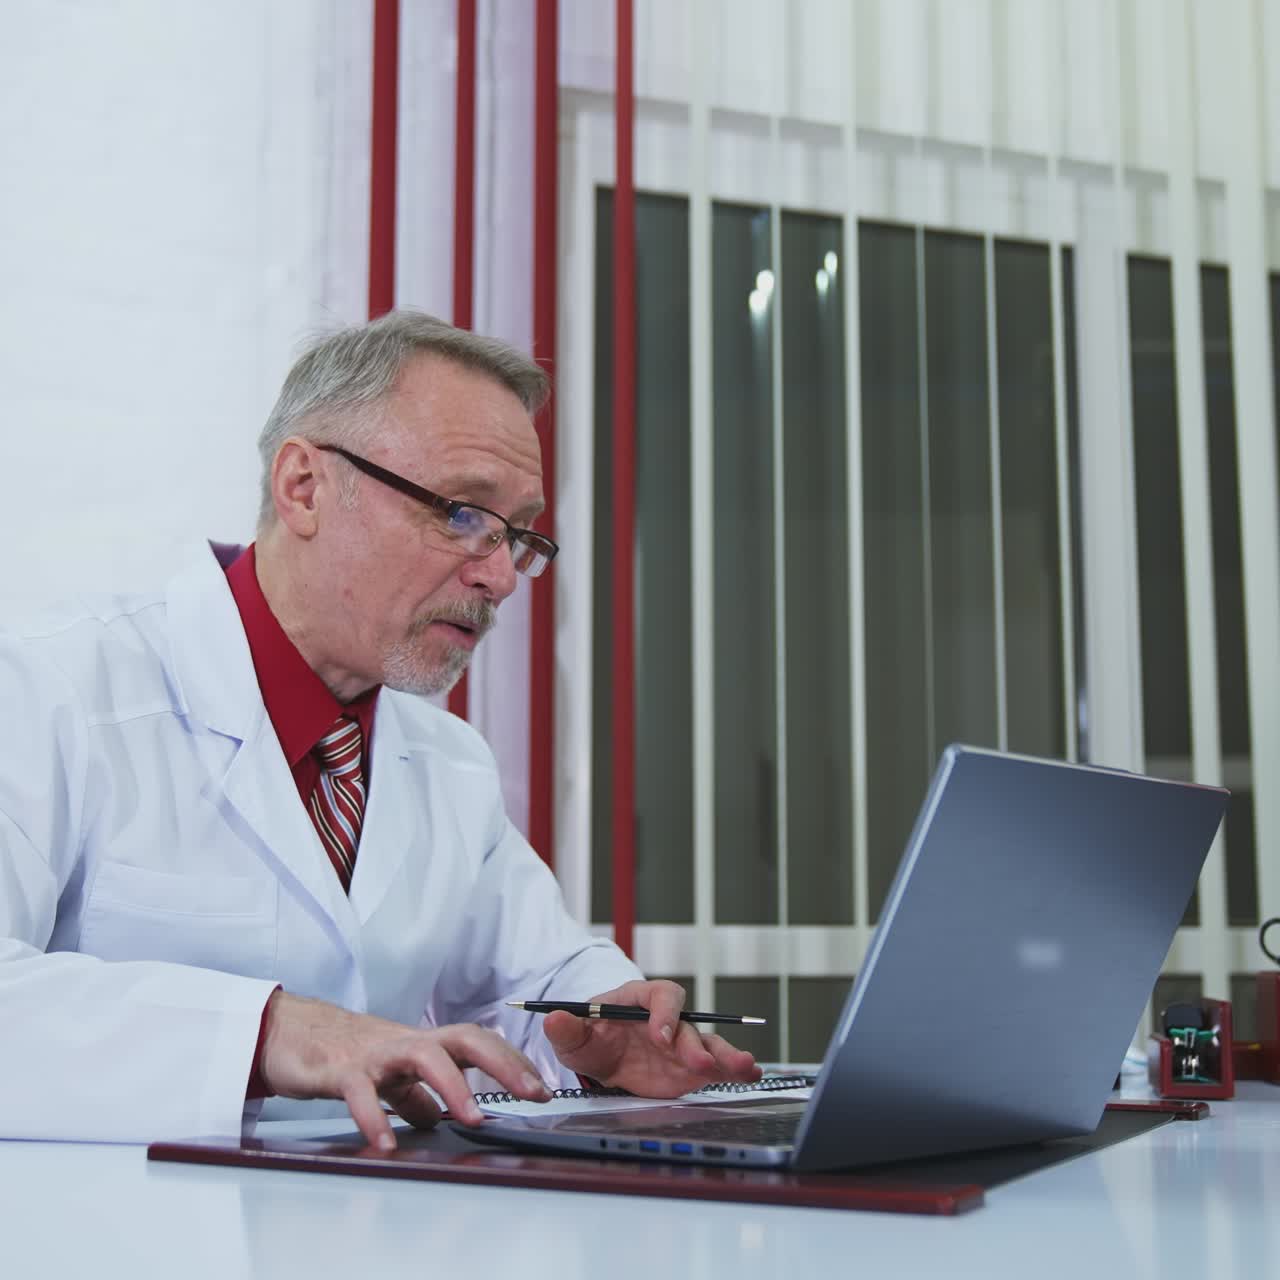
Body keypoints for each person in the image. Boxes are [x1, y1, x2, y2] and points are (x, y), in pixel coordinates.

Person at [0, 311, 759, 1149]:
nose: (502, 576)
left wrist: (606, 1031)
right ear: (304, 488)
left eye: (520, 535)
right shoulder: (52, 689)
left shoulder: (447, 764)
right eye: (465, 513)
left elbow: (535, 980)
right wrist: (272, 1030)